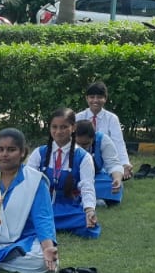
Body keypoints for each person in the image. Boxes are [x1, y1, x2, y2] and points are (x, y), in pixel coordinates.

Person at [0, 129, 58, 273]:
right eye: (0, 149)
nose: (4, 154)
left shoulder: (36, 181)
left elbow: (43, 218)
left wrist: (47, 248)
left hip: (22, 241)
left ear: (22, 152)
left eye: (11, 150)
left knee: (40, 261)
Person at [26, 108, 100, 238]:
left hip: (69, 206)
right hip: (42, 203)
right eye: (54, 127)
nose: (58, 131)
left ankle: (43, 224)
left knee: (86, 223)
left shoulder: (83, 157)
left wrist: (89, 210)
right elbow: (27, 182)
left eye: (64, 127)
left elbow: (87, 186)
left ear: (73, 127)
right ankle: (47, 222)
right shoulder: (39, 152)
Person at [76, 82, 130, 202]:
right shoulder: (77, 117)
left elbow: (118, 143)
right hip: (76, 173)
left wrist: (122, 167)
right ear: (86, 98)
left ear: (105, 99)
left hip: (100, 169)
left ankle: (82, 195)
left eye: (99, 97)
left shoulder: (110, 123)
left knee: (114, 184)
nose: (95, 100)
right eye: (92, 97)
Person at [72, 120, 124, 206]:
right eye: (78, 144)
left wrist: (117, 179)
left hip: (96, 178)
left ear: (93, 138)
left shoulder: (103, 140)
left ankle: (81, 198)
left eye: (85, 144)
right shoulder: (66, 141)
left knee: (112, 184)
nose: (81, 148)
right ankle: (94, 199)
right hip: (73, 178)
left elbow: (113, 163)